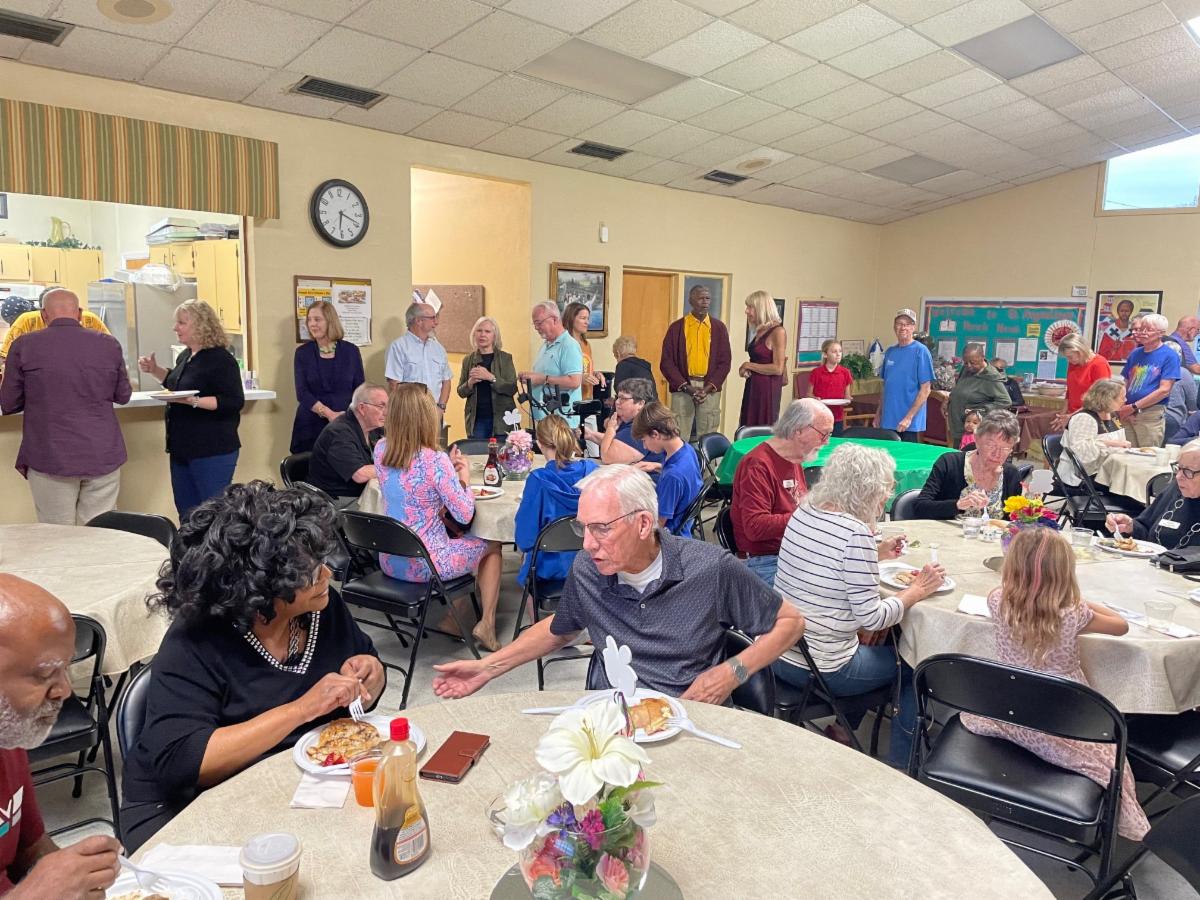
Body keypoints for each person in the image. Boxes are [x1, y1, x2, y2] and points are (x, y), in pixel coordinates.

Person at [119, 482, 385, 852]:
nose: (327, 574)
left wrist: (371, 673)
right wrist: (302, 709)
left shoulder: (321, 609)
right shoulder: (195, 641)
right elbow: (184, 763)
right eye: (310, 572)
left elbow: (365, 671)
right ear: (258, 585)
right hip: (184, 806)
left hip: (289, 782)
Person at [432, 465, 806, 701]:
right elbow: (562, 629)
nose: (587, 544)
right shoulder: (589, 568)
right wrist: (488, 668)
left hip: (686, 719)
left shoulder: (710, 569)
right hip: (611, 718)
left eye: (600, 528)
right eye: (582, 527)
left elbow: (791, 622)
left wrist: (731, 673)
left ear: (643, 524)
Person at [961, 527, 1149, 841]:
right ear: (1065, 572)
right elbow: (1121, 626)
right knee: (1111, 754)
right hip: (1061, 716)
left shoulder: (997, 600)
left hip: (1008, 709)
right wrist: (1079, 599)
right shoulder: (1074, 612)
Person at [774, 443, 945, 765]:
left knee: (876, 645)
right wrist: (917, 590)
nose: (887, 497)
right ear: (866, 489)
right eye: (885, 489)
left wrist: (876, 554)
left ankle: (843, 729)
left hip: (778, 651)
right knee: (914, 665)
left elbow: (826, 562)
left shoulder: (805, 510)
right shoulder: (854, 533)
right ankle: (901, 765)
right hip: (822, 667)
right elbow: (872, 619)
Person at [0, 574, 122, 898]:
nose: (65, 691)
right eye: (44, 674)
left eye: (65, 669)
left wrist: (75, 877)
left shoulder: (8, 739)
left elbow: (30, 848)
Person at [374, 384, 504, 651]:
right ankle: (487, 624)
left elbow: (412, 489)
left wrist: (447, 474)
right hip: (428, 563)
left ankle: (455, 619)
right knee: (492, 542)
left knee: (461, 539)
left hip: (390, 558)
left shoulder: (381, 449)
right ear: (426, 417)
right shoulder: (434, 460)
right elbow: (464, 513)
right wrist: (463, 477)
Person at [0, 289, 131, 525]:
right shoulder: (109, 344)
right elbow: (123, 396)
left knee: (57, 533)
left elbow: (8, 403)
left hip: (50, 454)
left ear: (43, 315)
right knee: (100, 532)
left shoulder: (24, 345)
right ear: (79, 313)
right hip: (102, 453)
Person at [137, 299, 244, 519]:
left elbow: (233, 401)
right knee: (187, 513)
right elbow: (175, 383)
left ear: (200, 325)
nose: (175, 328)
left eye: (181, 323)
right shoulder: (186, 356)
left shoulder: (221, 359)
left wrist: (194, 401)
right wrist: (155, 370)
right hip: (182, 448)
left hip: (211, 449)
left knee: (211, 515)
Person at [731, 398, 833, 587]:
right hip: (764, 561)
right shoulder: (757, 465)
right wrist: (810, 515)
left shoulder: (795, 458)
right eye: (823, 434)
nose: (826, 442)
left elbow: (795, 507)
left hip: (790, 551)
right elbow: (755, 527)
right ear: (798, 430)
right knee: (829, 591)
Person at [514, 415, 599, 587]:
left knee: (527, 564)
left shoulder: (538, 480)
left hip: (550, 568)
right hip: (592, 561)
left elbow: (524, 539)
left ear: (539, 444)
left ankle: (535, 604)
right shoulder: (593, 471)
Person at [913, 409, 1024, 519]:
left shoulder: (1011, 474)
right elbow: (920, 508)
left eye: (1005, 448)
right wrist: (958, 505)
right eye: (991, 445)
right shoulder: (950, 463)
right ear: (977, 439)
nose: (997, 454)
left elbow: (1014, 520)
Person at [290, 300, 365, 454]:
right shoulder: (303, 353)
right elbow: (302, 393)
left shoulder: (351, 351)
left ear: (330, 321)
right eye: (309, 320)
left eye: (317, 319)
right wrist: (329, 414)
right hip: (310, 425)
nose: (312, 324)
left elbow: (360, 390)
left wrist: (345, 416)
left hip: (345, 423)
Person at [660, 285, 731, 441]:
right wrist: (687, 387)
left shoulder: (719, 328)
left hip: (709, 388)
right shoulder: (677, 328)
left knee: (708, 434)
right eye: (700, 298)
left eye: (708, 298)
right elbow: (666, 362)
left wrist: (707, 388)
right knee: (678, 433)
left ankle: (706, 459)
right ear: (690, 300)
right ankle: (680, 458)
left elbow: (725, 362)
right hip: (683, 387)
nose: (705, 302)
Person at [1107, 438, 1200, 550]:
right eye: (1179, 468)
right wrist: (1130, 527)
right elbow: (1147, 528)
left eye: (1188, 471)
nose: (1178, 476)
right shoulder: (1176, 489)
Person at [307, 382, 388, 500]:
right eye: (381, 407)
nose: (386, 412)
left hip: (361, 493)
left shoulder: (374, 428)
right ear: (362, 408)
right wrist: (395, 468)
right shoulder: (339, 433)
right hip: (335, 501)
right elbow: (360, 474)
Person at [631, 402, 703, 534]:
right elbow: (683, 475)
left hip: (671, 535)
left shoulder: (672, 477)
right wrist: (656, 466)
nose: (645, 446)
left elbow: (658, 524)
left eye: (643, 440)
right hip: (684, 521)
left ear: (655, 434)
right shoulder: (687, 449)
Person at [1057, 379, 1131, 495]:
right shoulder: (1084, 418)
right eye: (1122, 397)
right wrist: (1110, 443)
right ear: (1107, 399)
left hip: (1105, 469)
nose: (1125, 400)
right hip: (1081, 475)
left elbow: (1121, 444)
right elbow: (1081, 453)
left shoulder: (1112, 416)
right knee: (1130, 488)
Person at [0, 288, 109, 364]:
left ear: (78, 313)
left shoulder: (90, 320)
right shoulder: (26, 321)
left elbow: (109, 351)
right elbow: (5, 357)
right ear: (44, 314)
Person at [1120, 313, 1178, 448]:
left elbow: (1164, 390)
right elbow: (1126, 381)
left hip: (1150, 414)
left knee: (1147, 454)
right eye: (1141, 329)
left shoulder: (1170, 355)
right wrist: (1122, 406)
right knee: (1126, 452)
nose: (1143, 333)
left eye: (1149, 329)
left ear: (1161, 333)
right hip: (1128, 411)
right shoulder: (1135, 353)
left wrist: (1134, 407)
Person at [520, 301, 583, 426]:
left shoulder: (569, 345)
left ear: (554, 319)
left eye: (539, 323)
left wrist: (543, 379)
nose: (536, 328)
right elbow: (543, 376)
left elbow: (574, 382)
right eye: (534, 324)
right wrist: (531, 378)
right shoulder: (546, 345)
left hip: (562, 422)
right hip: (544, 419)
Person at [583, 378, 666, 474]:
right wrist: (590, 434)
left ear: (640, 403)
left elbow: (607, 458)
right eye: (617, 397)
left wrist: (610, 429)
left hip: (646, 481)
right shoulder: (631, 420)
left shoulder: (642, 426)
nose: (617, 402)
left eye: (623, 398)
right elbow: (617, 443)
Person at [875, 308, 933, 442]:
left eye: (907, 324)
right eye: (899, 324)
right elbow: (886, 386)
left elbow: (925, 389)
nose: (903, 327)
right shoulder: (890, 352)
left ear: (913, 327)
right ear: (894, 327)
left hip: (908, 423)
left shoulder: (921, 351)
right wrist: (879, 413)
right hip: (888, 420)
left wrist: (909, 417)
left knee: (906, 454)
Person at [456, 316, 517, 440]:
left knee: (502, 452)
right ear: (474, 334)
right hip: (477, 421)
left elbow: (511, 388)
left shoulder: (505, 358)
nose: (482, 335)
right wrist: (470, 383)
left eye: (487, 331)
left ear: (494, 336)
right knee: (477, 452)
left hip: (502, 420)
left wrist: (491, 377)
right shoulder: (468, 360)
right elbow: (461, 392)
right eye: (479, 331)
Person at [385, 302, 451, 416]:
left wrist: (441, 407)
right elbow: (394, 384)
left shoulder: (438, 349)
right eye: (432, 318)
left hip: (435, 412)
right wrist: (404, 411)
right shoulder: (398, 347)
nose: (436, 322)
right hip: (409, 413)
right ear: (419, 321)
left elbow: (446, 381)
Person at [739, 290, 788, 428]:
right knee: (747, 427)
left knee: (761, 429)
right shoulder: (760, 331)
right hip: (753, 387)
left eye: (750, 307)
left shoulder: (778, 331)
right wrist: (747, 370)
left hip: (767, 392)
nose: (746, 311)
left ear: (761, 308)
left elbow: (777, 368)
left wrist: (748, 365)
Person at [947, 343, 1010, 447]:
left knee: (969, 454)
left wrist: (980, 411)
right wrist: (949, 400)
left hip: (973, 430)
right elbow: (959, 388)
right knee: (958, 454)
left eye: (973, 363)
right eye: (966, 362)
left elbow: (1005, 401)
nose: (969, 366)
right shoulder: (966, 369)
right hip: (959, 424)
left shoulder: (991, 377)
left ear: (982, 358)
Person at [1052, 333, 1114, 429]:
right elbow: (1070, 391)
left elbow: (1099, 400)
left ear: (1080, 351)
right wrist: (1062, 415)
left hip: (1091, 418)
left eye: (1070, 357)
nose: (1068, 360)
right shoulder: (1073, 363)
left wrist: (1071, 416)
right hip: (1073, 416)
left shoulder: (1099, 365)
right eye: (1067, 357)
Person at [807, 339, 853, 435]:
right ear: (825, 354)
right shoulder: (816, 372)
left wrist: (848, 399)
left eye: (840, 351)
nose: (838, 354)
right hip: (819, 416)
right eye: (834, 351)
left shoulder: (845, 372)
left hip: (837, 417)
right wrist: (815, 398)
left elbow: (847, 395)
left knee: (835, 441)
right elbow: (808, 394)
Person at [563, 300, 605, 402]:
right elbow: (556, 375)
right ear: (571, 319)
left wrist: (595, 374)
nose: (587, 322)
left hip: (587, 398)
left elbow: (585, 369)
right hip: (570, 400)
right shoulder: (564, 344)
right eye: (583, 318)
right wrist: (579, 378)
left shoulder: (586, 344)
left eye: (588, 318)